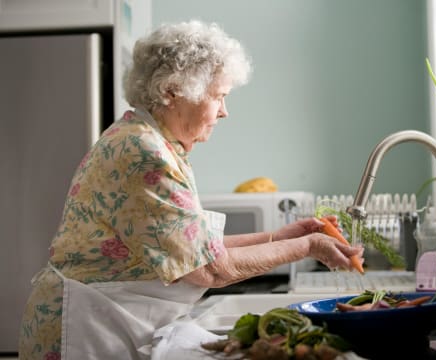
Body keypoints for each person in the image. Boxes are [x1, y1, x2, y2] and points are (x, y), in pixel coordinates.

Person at [18, 19, 363, 360]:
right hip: (87, 330)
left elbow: (190, 248)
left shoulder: (148, 141)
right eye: (219, 96)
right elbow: (209, 269)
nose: (225, 112)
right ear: (172, 92)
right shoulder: (144, 153)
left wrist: (279, 238)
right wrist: (307, 245)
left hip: (104, 319)